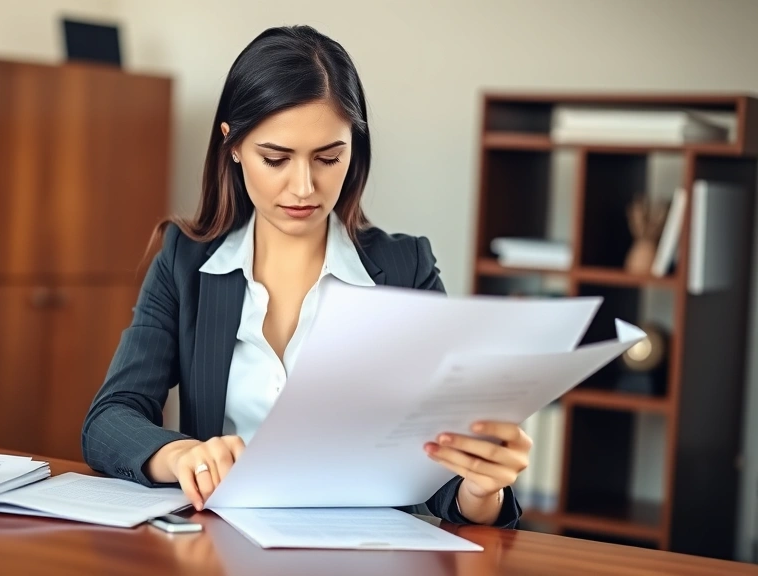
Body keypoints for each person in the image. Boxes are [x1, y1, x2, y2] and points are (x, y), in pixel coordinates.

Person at [82, 24, 526, 528]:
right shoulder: (184, 263)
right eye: (275, 158)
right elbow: (109, 419)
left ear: (353, 148)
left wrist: (482, 485)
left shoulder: (406, 270)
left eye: (327, 157)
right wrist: (183, 455)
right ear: (232, 145)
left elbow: (446, 470)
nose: (303, 187)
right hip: (220, 544)